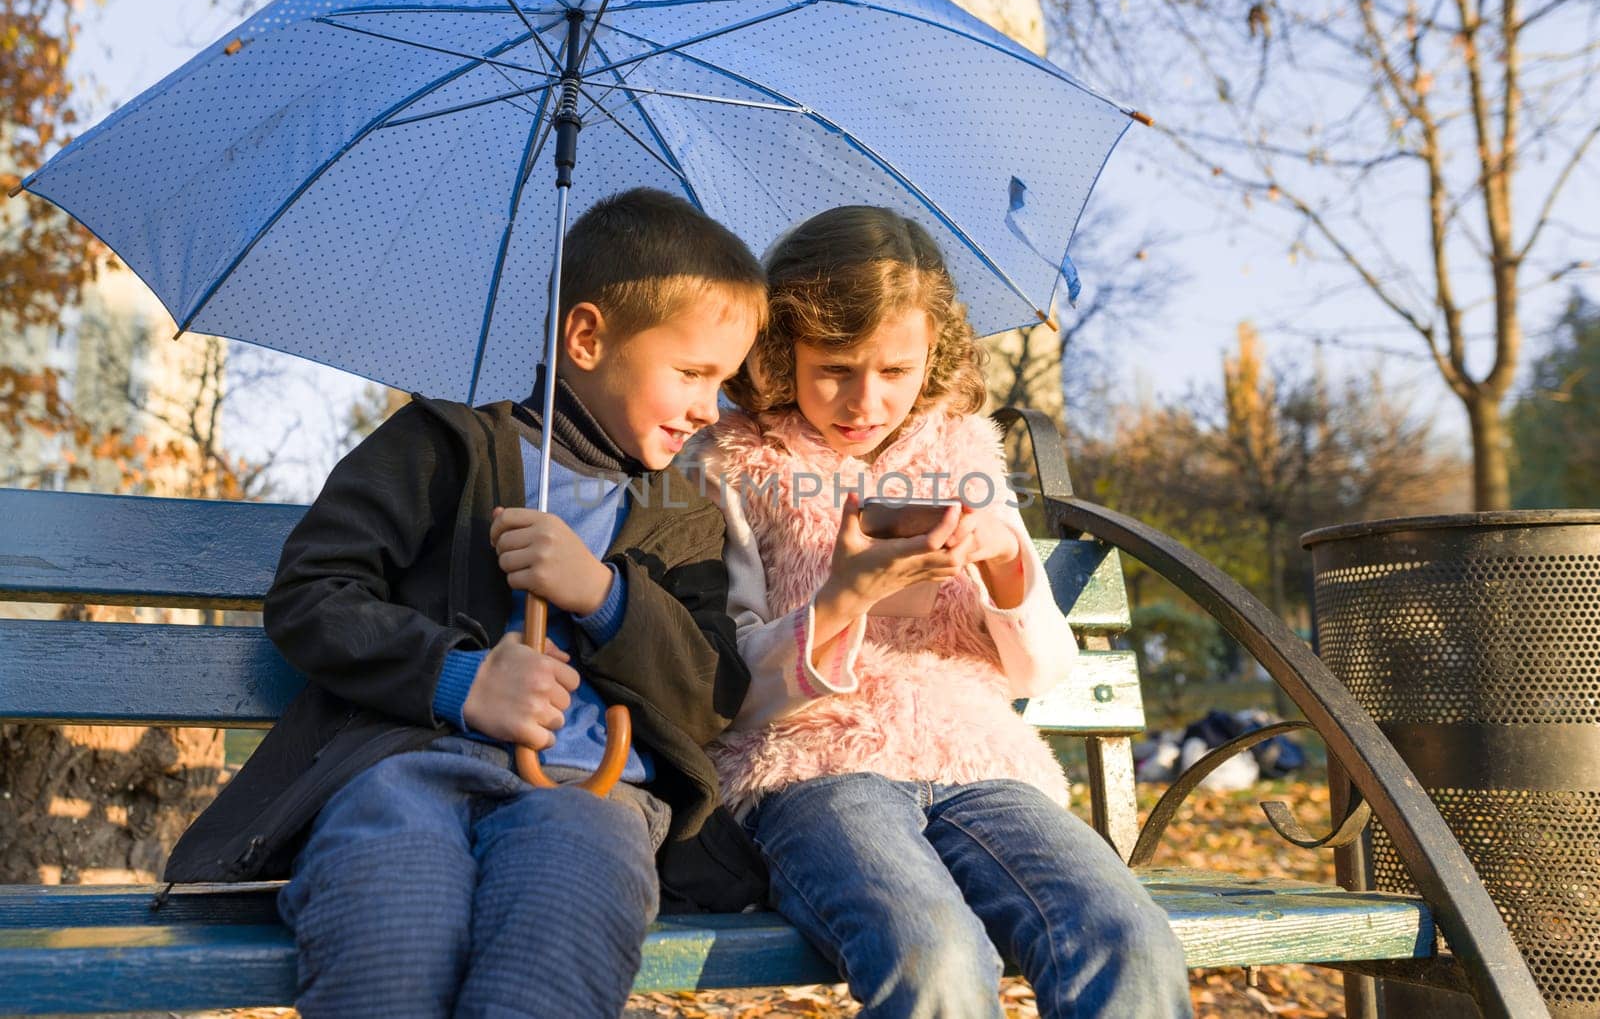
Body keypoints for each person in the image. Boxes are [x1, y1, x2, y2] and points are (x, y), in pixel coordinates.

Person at [164, 188, 770, 1018]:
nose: (711, 406)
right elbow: (313, 593)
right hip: (406, 771)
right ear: (586, 337)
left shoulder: (687, 516)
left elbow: (711, 695)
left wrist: (603, 595)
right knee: (391, 937)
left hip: (592, 797)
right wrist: (459, 678)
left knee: (553, 953)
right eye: (693, 373)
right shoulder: (445, 444)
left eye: (725, 381)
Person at [689, 205, 1192, 1018]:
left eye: (895, 371)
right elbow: (726, 686)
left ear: (935, 353)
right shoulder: (739, 464)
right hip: (814, 767)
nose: (865, 400)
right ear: (784, 350)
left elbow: (1039, 672)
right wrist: (844, 595)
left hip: (978, 758)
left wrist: (1005, 565)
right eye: (836, 369)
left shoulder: (962, 455)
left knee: (1127, 936)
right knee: (938, 952)